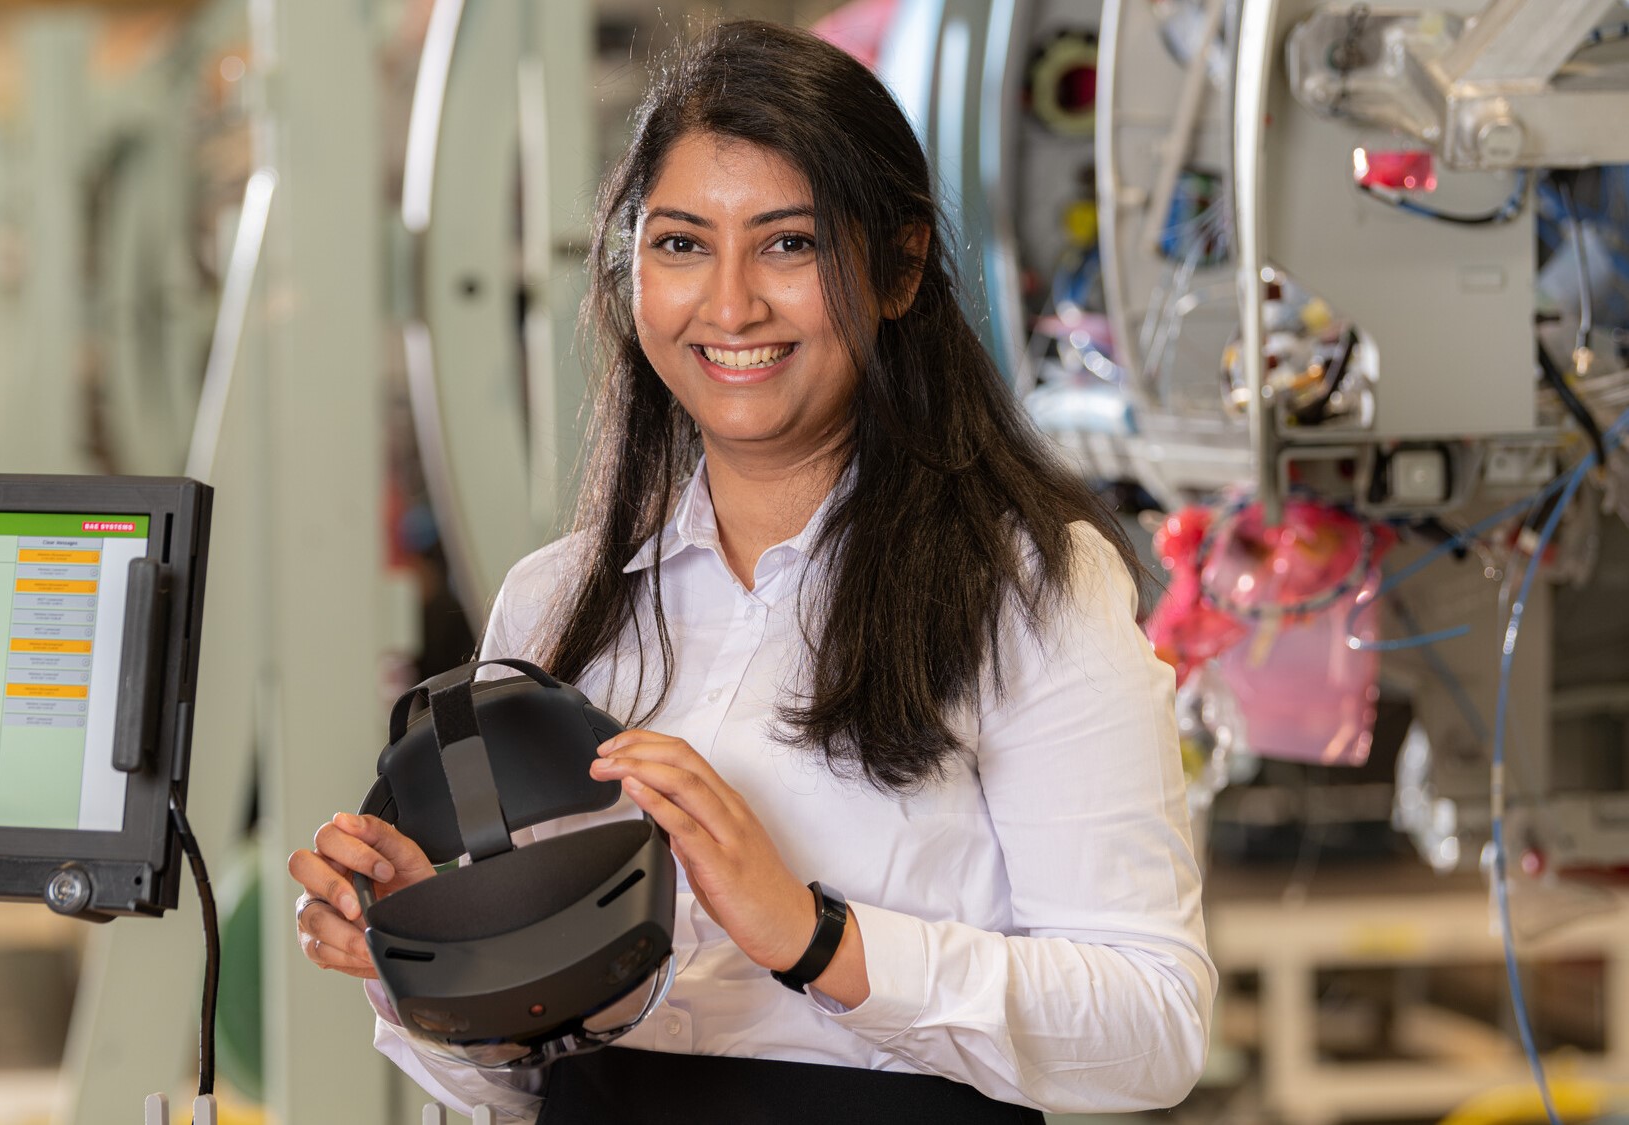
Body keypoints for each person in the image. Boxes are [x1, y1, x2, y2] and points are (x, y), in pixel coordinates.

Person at [289, 19, 1213, 1123]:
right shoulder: (557, 602)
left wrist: (814, 936)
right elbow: (519, 1082)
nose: (728, 306)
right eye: (681, 245)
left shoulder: (1027, 587)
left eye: (788, 244)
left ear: (901, 265)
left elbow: (1152, 1030)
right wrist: (424, 958)